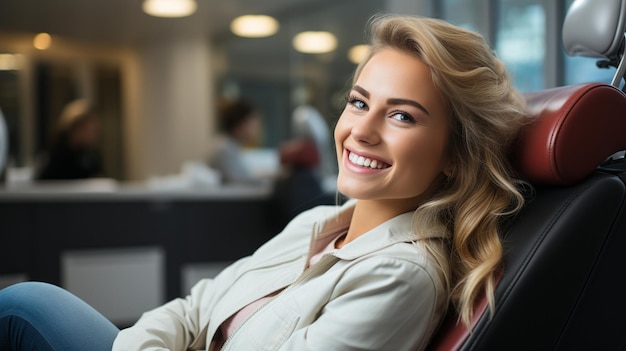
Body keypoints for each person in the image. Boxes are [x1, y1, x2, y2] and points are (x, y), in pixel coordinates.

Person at [0, 14, 529, 351]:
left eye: (403, 116)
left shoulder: (401, 275)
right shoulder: (317, 222)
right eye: (360, 102)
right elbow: (195, 306)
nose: (360, 131)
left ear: (456, 157)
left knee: (25, 306)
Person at [35, 99, 103, 180]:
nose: (94, 133)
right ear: (77, 128)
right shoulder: (55, 157)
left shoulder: (90, 156)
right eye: (91, 130)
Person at [209, 97, 264, 185]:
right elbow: (240, 182)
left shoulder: (231, 147)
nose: (257, 125)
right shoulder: (224, 149)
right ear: (239, 124)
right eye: (252, 119)